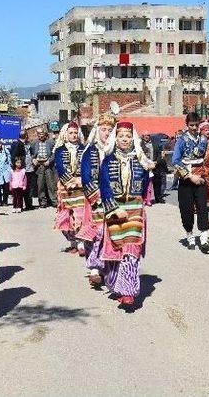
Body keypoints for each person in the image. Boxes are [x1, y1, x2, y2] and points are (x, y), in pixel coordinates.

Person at [99, 121, 151, 306]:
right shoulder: (108, 160)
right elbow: (104, 186)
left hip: (134, 208)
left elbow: (145, 184)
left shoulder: (140, 159)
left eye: (128, 136)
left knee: (131, 248)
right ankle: (115, 282)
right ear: (116, 138)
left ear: (133, 139)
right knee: (116, 247)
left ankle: (128, 289)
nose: (124, 139)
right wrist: (113, 208)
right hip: (115, 209)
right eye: (121, 136)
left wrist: (139, 201)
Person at [80, 111, 118, 287]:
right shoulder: (90, 151)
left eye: (110, 129)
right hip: (94, 198)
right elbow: (86, 176)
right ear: (97, 131)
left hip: (113, 200)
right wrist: (96, 197)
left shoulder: (117, 152)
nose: (107, 133)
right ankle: (94, 268)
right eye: (104, 129)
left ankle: (109, 266)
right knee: (95, 234)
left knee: (111, 233)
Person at [171, 112, 209, 253]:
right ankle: (190, 235)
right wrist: (189, 175)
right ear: (187, 125)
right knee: (186, 210)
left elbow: (208, 158)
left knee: (202, 207)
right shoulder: (181, 140)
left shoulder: (204, 139)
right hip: (186, 179)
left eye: (196, 125)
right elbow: (175, 160)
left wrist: (205, 172)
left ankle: (204, 237)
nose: (194, 128)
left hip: (200, 178)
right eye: (191, 125)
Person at [53, 121, 86, 255]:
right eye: (71, 133)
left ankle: (81, 242)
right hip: (65, 187)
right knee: (65, 216)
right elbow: (60, 167)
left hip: (80, 186)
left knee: (80, 214)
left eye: (75, 133)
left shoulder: (84, 149)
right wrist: (69, 181)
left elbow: (87, 167)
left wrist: (79, 180)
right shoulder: (59, 150)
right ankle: (72, 242)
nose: (73, 135)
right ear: (65, 134)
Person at [29, 127, 57, 208]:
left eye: (42, 134)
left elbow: (54, 153)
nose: (41, 136)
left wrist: (50, 160)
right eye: (39, 134)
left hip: (48, 165)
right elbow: (30, 153)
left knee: (51, 184)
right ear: (37, 135)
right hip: (39, 166)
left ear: (45, 134)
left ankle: (54, 201)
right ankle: (42, 202)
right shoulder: (33, 143)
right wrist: (33, 159)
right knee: (40, 185)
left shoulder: (50, 142)